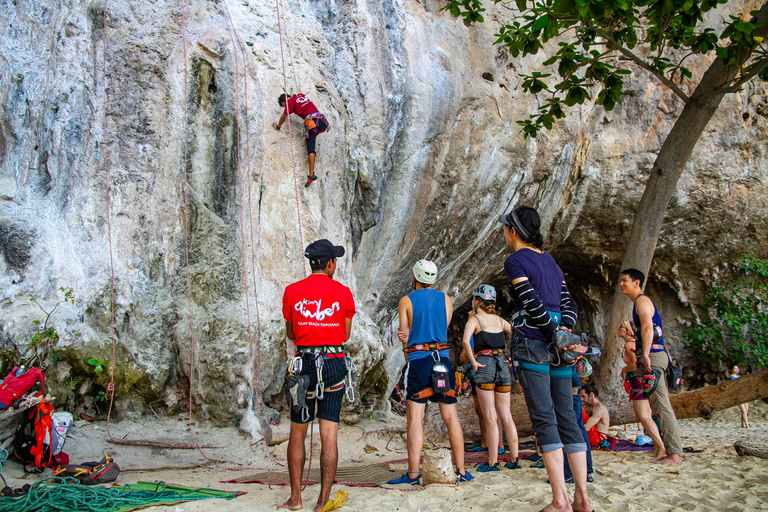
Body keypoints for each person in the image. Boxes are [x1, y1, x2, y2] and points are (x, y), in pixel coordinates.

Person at [500, 206, 591, 512]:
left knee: (544, 420)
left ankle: (560, 501)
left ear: (513, 231)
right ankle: (582, 498)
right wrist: (564, 332)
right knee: (568, 418)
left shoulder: (514, 261)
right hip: (560, 350)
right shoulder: (550, 262)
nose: (504, 231)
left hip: (534, 345)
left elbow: (529, 301)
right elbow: (568, 302)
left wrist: (553, 333)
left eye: (506, 227)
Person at [280, 239, 355, 512]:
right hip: (334, 362)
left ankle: (296, 498)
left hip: (304, 366)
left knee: (297, 432)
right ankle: (322, 500)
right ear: (331, 263)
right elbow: (345, 334)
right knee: (329, 433)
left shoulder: (292, 291)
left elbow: (291, 333)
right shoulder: (344, 293)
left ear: (312, 263)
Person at [388, 259, 473, 485]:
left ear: (415, 277)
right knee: (450, 416)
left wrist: (409, 350)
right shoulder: (446, 300)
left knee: (415, 419)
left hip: (419, 360)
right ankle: (462, 471)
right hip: (442, 361)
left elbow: (405, 339)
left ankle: (414, 474)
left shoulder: (406, 301)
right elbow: (441, 329)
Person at [620, 268, 683, 465]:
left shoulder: (642, 301)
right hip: (652, 356)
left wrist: (645, 355)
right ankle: (669, 450)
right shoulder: (637, 303)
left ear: (636, 283)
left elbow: (648, 327)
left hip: (653, 356)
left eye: (625, 281)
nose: (621, 284)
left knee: (662, 406)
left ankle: (674, 454)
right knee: (657, 405)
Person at [461, 284, 520, 472]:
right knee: (506, 415)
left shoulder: (475, 320)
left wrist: (474, 362)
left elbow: (465, 342)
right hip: (502, 366)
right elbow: (517, 336)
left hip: (485, 365)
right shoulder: (501, 321)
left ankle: (493, 462)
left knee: (490, 416)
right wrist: (511, 358)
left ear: (477, 301)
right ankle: (514, 459)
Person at [618, 320, 665, 458]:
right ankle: (658, 445)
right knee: (647, 416)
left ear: (627, 330)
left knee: (644, 417)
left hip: (637, 381)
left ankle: (660, 445)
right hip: (639, 381)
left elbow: (635, 363)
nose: (618, 329)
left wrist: (624, 369)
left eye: (621, 327)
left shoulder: (629, 344)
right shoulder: (632, 343)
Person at [459, 330, 505, 456]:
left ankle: (499, 444)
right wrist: (474, 355)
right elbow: (462, 357)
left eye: (472, 311)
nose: (469, 314)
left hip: (488, 374)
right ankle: (484, 443)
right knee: (480, 411)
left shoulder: (488, 333)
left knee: (493, 411)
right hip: (475, 374)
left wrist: (475, 355)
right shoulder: (471, 336)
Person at [272, 93, 329, 187]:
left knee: (310, 148)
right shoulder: (300, 95)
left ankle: (311, 175)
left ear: (284, 101)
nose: (285, 107)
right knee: (312, 142)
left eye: (283, 105)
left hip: (312, 123)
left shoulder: (289, 102)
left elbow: (284, 116)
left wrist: (278, 126)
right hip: (321, 121)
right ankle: (312, 170)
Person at [563, 367, 594, 483]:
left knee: (569, 425)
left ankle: (570, 472)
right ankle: (586, 471)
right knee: (577, 424)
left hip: (565, 376)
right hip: (571, 376)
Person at [580, 384, 610, 449]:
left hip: (598, 439)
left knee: (580, 409)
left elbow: (587, 427)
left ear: (591, 395)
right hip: (593, 437)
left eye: (583, 396)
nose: (581, 399)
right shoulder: (590, 407)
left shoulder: (600, 409)